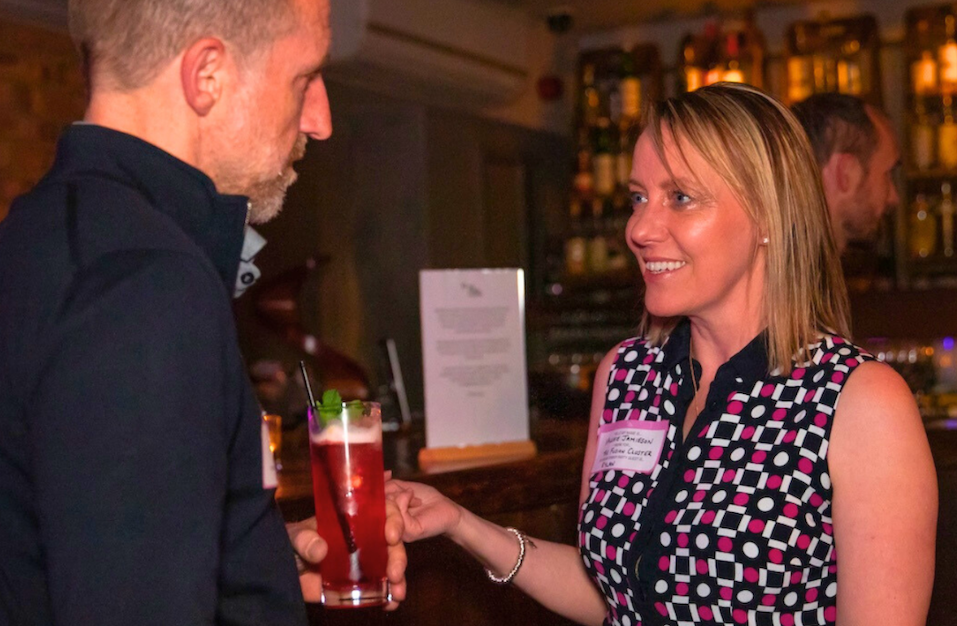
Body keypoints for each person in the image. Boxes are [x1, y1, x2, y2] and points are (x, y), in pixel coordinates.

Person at [0, 0, 405, 624]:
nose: (319, 120)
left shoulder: (28, 246)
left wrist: (246, 564)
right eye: (304, 78)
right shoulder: (143, 286)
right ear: (208, 74)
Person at [388, 83, 936, 625]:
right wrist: (461, 523)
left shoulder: (857, 402)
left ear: (769, 216)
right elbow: (612, 589)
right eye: (638, 198)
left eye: (680, 197)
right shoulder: (627, 373)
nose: (639, 229)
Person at [791, 93, 901, 253]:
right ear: (846, 173)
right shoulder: (797, 274)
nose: (893, 197)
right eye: (887, 174)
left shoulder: (783, 263)